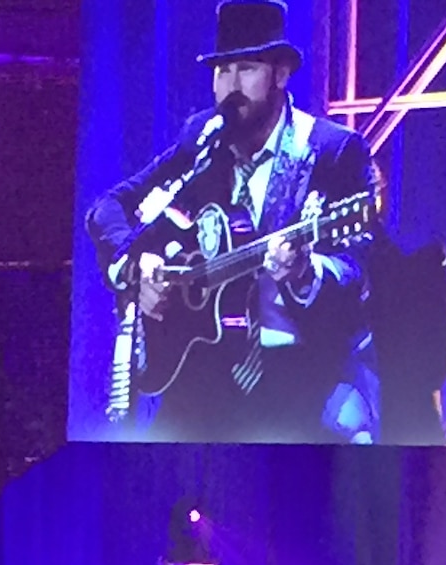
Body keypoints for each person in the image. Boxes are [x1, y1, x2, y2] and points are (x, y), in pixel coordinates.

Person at [86, 0, 379, 444]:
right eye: (222, 72)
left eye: (246, 69)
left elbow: (358, 272)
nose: (230, 87)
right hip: (200, 374)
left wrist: (305, 273)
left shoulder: (331, 151)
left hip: (297, 377)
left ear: (280, 74)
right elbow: (108, 208)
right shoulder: (202, 139)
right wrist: (135, 267)